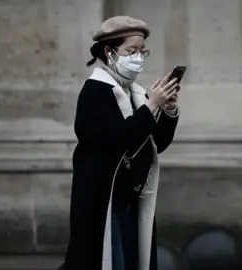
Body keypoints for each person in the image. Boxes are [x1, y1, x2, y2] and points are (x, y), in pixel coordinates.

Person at [61, 16, 181, 270]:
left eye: (141, 51)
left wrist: (167, 110)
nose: (138, 57)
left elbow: (155, 143)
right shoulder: (95, 91)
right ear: (109, 52)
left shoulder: (135, 92)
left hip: (131, 199)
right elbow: (119, 139)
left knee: (131, 258)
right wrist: (152, 106)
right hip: (102, 201)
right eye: (131, 51)